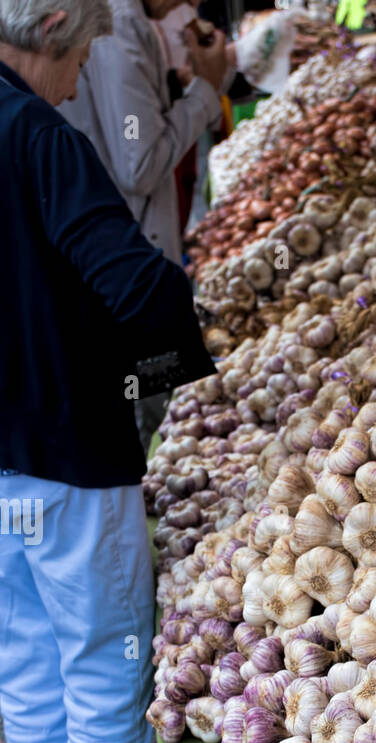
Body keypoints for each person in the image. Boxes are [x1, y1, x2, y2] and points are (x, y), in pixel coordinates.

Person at [0, 0, 215, 743]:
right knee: (100, 668)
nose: (86, 67)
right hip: (71, 452)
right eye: (85, 46)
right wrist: (193, 339)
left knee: (26, 671)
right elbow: (129, 278)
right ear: (51, 23)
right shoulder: (40, 137)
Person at [59, 0, 229, 448]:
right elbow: (138, 160)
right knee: (149, 419)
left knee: (154, 415)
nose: (190, 4)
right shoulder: (118, 28)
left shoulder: (129, 22)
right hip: (133, 264)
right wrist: (205, 89)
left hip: (131, 260)